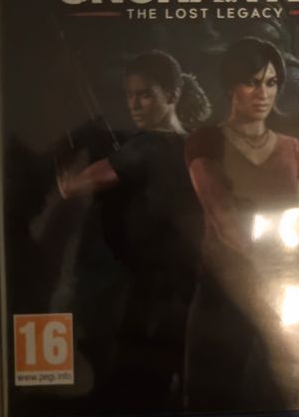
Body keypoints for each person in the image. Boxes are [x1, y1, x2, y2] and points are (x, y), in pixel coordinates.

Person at [57, 50, 210, 411]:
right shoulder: (194, 145)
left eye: (145, 94)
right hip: (186, 289)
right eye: (130, 95)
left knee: (135, 387)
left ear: (172, 94)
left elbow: (72, 186)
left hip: (151, 294)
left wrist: (74, 151)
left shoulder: (147, 145)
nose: (135, 104)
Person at [184, 37, 299, 411]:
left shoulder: (293, 149)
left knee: (278, 397)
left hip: (282, 293)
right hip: (224, 291)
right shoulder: (206, 141)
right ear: (230, 86)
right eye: (252, 82)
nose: (263, 93)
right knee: (215, 397)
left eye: (271, 83)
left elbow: (298, 223)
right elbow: (224, 219)